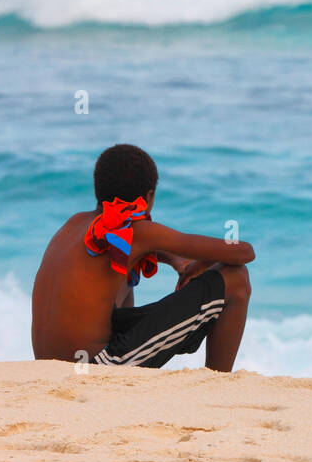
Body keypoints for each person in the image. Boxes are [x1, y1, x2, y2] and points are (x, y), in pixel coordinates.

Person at [31, 144, 254, 371]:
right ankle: (218, 382)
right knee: (236, 278)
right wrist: (202, 263)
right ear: (148, 196)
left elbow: (140, 248)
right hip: (97, 367)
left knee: (125, 267)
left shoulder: (74, 225)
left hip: (51, 367)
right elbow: (244, 252)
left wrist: (178, 262)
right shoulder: (137, 231)